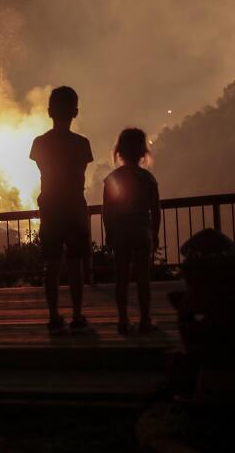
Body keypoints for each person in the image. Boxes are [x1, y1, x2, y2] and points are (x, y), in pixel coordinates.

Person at [30, 86, 94, 334]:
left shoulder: (40, 143)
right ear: (75, 112)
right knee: (76, 266)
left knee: (52, 266)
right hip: (75, 207)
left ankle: (54, 315)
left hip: (50, 206)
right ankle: (77, 315)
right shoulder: (82, 144)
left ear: (49, 111)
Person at [102, 128, 160, 334]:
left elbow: (106, 211)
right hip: (142, 232)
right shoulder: (148, 179)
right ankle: (145, 320)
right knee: (143, 279)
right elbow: (155, 210)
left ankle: (123, 320)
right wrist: (155, 233)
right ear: (143, 152)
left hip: (120, 233)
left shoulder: (112, 179)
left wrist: (109, 234)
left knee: (122, 278)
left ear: (119, 152)